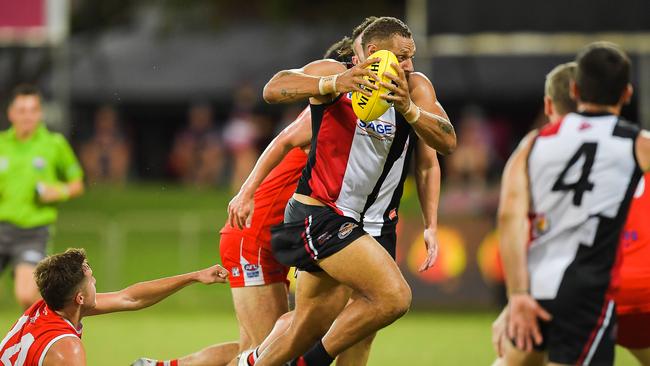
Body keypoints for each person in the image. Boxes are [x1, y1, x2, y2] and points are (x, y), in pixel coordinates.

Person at [254, 16, 455, 366]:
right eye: (403, 56)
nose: (409, 65)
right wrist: (334, 82)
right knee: (393, 297)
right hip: (323, 213)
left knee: (331, 332)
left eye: (412, 57)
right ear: (375, 53)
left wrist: (431, 224)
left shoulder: (416, 87)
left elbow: (444, 145)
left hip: (378, 225)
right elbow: (273, 88)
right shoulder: (336, 71)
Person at [499, 42, 650, 366]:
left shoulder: (534, 143)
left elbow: (510, 217)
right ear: (626, 93)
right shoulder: (636, 144)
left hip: (537, 286)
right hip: (589, 290)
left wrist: (516, 294)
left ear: (576, 88)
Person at [0, 248, 229, 365]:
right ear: (80, 298)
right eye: (91, 279)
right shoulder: (68, 349)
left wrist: (194, 276)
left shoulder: (51, 305)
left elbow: (130, 298)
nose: (95, 282)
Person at [0, 84, 84, 309]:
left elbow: (77, 183)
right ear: (11, 113)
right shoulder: (1, 143)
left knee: (27, 295)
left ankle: (49, 333)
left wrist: (59, 191)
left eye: (32, 110)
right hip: (1, 226)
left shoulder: (54, 144)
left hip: (32, 231)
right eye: (22, 110)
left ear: (40, 113)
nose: (27, 116)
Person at [79, 105, 131, 185]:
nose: (105, 124)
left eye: (108, 119)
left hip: (114, 181)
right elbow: (89, 167)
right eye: (103, 119)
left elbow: (120, 168)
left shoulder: (121, 141)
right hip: (95, 180)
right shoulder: (89, 141)